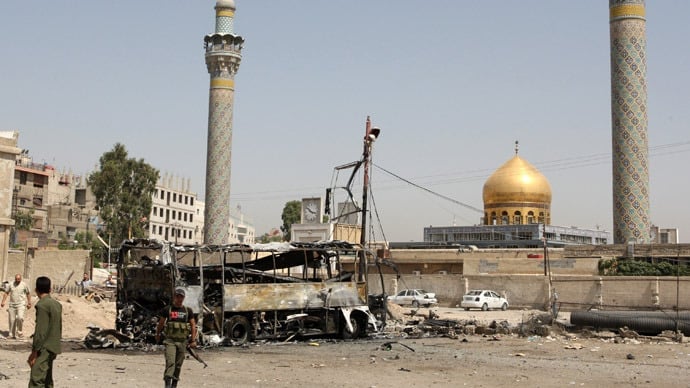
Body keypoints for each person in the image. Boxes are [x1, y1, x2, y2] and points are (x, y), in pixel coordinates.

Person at [155, 288, 197, 388]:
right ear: (174, 297)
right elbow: (161, 324)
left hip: (182, 342)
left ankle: (174, 384)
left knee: (178, 365)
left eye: (181, 297)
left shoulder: (188, 311)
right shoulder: (167, 309)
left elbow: (193, 325)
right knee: (170, 362)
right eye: (177, 296)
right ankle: (167, 384)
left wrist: (193, 340)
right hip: (170, 341)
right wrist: (157, 334)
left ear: (184, 298)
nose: (179, 299)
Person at [27, 276, 62, 387]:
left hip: (44, 347)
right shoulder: (57, 304)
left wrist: (34, 351)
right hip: (53, 346)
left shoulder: (42, 305)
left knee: (36, 379)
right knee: (47, 379)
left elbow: (40, 331)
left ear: (36, 289)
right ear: (50, 289)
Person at [1, 273, 31, 339]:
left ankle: (19, 332)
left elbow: (28, 294)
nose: (17, 281)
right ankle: (11, 334)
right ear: (15, 279)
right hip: (12, 304)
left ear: (21, 279)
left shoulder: (24, 285)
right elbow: (6, 293)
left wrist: (29, 303)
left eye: (19, 279)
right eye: (16, 279)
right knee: (12, 320)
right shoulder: (10, 284)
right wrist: (3, 302)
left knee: (20, 318)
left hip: (21, 304)